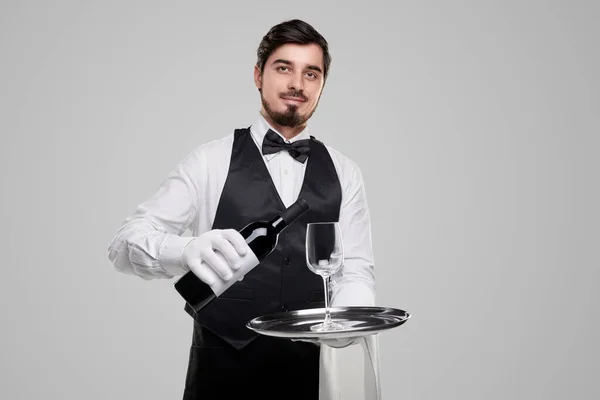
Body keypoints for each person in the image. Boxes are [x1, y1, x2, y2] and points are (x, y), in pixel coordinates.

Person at [107, 18, 377, 400]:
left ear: (321, 86)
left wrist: (347, 330)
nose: (297, 84)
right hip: (221, 371)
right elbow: (124, 244)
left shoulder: (346, 172)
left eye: (311, 73)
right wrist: (184, 250)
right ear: (258, 75)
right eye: (284, 68)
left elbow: (356, 271)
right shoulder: (209, 161)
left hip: (314, 371)